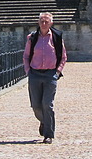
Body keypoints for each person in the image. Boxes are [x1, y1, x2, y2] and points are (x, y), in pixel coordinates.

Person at [23, 11, 67, 144]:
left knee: (47, 104)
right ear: (38, 22)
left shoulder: (56, 38)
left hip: (50, 75)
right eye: (41, 21)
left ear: (51, 23)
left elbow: (64, 56)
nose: (43, 23)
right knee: (36, 105)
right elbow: (26, 56)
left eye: (46, 21)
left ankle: (49, 134)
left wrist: (57, 72)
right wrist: (28, 71)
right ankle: (43, 121)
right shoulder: (32, 37)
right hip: (35, 74)